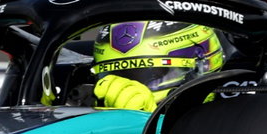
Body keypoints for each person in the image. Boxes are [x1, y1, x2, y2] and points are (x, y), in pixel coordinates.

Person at [89, 21, 224, 111]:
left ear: (201, 65)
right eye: (116, 76)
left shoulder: (234, 115)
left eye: (154, 75)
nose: (128, 89)